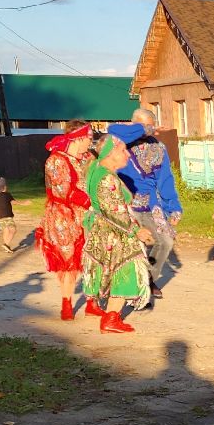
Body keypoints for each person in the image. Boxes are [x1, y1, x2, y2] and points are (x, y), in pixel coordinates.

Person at [81, 135, 156, 334]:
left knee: (110, 269)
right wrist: (136, 230)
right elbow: (113, 210)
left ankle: (103, 310)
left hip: (103, 229)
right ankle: (111, 318)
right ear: (111, 153)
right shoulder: (105, 177)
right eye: (122, 150)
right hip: (115, 233)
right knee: (126, 269)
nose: (127, 154)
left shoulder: (98, 170)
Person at [112, 123, 181, 298]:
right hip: (125, 203)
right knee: (131, 246)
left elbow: (165, 179)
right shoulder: (118, 141)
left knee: (166, 241)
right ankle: (120, 287)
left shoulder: (157, 148)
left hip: (152, 204)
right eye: (140, 125)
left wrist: (173, 207)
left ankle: (148, 280)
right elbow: (115, 130)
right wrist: (146, 128)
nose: (145, 129)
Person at [41, 124, 93, 320]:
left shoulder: (88, 158)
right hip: (64, 216)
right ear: (78, 138)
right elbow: (61, 190)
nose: (91, 141)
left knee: (91, 257)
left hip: (87, 215)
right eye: (89, 137)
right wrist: (89, 201)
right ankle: (67, 304)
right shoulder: (56, 160)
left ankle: (91, 302)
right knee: (68, 261)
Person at [0, 177, 18, 252]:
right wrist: (24, 203)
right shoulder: (7, 195)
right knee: (13, 230)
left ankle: (7, 247)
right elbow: (13, 202)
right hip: (7, 216)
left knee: (6, 230)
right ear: (4, 187)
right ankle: (6, 244)